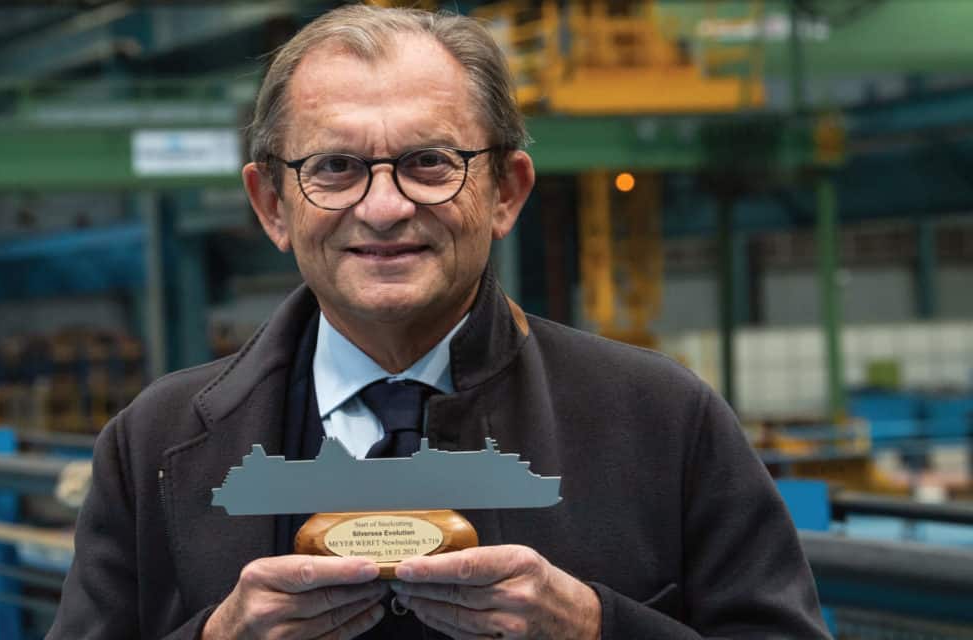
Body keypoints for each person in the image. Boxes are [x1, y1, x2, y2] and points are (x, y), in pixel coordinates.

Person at [49, 5, 830, 639]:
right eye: (335, 167)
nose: (384, 208)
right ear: (271, 206)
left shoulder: (663, 421)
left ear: (505, 192)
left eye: (429, 162)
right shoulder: (152, 445)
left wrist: (598, 628)